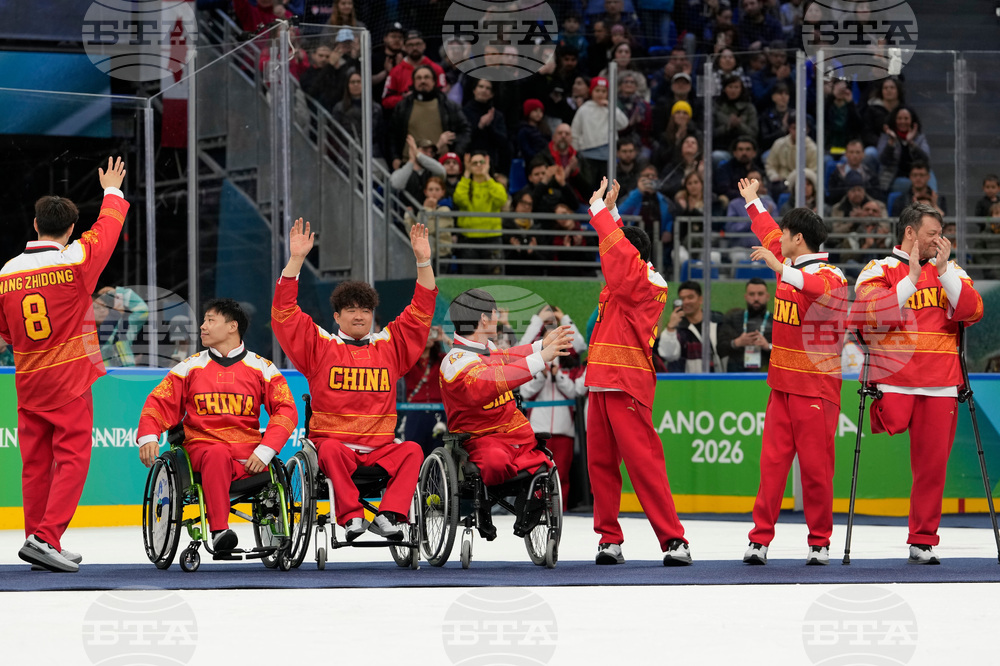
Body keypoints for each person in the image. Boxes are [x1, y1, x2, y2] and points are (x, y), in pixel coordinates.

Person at [271, 218, 437, 542]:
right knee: (330, 450)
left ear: (373, 314)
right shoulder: (320, 346)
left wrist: (423, 261)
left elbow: (421, 310)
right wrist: (296, 260)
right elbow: (285, 313)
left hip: (381, 449)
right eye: (351, 310)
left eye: (365, 310)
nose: (359, 315)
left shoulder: (390, 346)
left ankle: (390, 515)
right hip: (336, 447)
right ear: (337, 316)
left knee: (413, 451)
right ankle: (351, 517)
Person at [0, 157, 127, 573]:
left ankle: (36, 538)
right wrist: (111, 191)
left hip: (28, 381)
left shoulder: (7, 271)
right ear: (71, 229)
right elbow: (107, 230)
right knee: (72, 459)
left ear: (35, 225)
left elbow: (5, 332)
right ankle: (47, 538)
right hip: (69, 378)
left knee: (35, 464)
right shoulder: (75, 260)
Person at [854, 202, 984, 564]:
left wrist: (943, 272)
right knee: (891, 423)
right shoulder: (879, 269)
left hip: (941, 382)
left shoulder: (951, 270)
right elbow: (869, 313)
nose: (939, 241)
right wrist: (910, 280)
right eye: (932, 234)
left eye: (941, 234)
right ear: (910, 232)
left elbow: (974, 310)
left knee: (932, 467)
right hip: (894, 380)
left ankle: (922, 540)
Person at [737, 176, 849, 566]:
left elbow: (816, 288)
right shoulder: (785, 260)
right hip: (781, 386)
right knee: (771, 469)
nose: (779, 240)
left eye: (786, 235)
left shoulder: (833, 278)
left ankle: (819, 542)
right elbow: (767, 230)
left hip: (817, 389)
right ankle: (759, 540)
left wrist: (780, 269)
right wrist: (753, 201)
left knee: (816, 472)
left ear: (798, 239)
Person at [585, 177, 692, 566]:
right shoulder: (622, 280)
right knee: (600, 467)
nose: (608, 254)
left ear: (633, 256)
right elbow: (620, 255)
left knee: (644, 465)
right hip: (600, 381)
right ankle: (609, 540)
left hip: (627, 382)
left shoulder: (649, 282)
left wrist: (599, 211)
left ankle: (674, 540)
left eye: (615, 248)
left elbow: (622, 260)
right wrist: (613, 211)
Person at [136, 299, 297, 551]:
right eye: (204, 320)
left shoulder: (263, 367)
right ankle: (220, 531)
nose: (203, 326)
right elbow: (159, 402)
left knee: (251, 464)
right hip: (203, 450)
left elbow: (286, 411)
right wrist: (148, 436)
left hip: (250, 458)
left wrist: (266, 451)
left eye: (210, 320)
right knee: (217, 452)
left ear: (232, 326)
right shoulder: (190, 367)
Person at [438, 289, 574, 539]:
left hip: (513, 433)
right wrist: (541, 358)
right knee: (497, 462)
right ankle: (485, 504)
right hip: (479, 439)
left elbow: (506, 357)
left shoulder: (486, 347)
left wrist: (541, 345)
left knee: (544, 465)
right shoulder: (455, 361)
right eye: (495, 313)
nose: (498, 317)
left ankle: (527, 509)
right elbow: (492, 380)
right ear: (484, 319)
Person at [520, 354, 580, 511]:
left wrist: (557, 374)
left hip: (563, 429)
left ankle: (560, 510)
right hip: (539, 431)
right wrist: (542, 375)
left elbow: (574, 392)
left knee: (561, 474)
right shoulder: (533, 363)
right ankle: (536, 510)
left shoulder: (568, 364)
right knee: (538, 474)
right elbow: (525, 392)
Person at [388, 65, 470, 170]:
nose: (423, 81)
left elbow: (465, 131)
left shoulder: (449, 106)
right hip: (410, 164)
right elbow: (392, 135)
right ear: (413, 82)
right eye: (419, 78)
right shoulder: (403, 107)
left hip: (440, 164)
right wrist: (394, 158)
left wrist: (455, 155)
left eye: (426, 77)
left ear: (434, 81)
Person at [453, 151, 508, 274]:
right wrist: (466, 173)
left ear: (487, 164)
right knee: (470, 280)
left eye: (481, 162)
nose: (478, 165)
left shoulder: (495, 185)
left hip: (492, 238)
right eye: (474, 163)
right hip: (469, 239)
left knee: (495, 279)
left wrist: (487, 175)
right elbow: (459, 199)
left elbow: (501, 199)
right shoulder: (465, 185)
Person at [571, 77, 629, 191]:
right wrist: (575, 152)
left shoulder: (610, 108)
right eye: (597, 90)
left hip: (608, 156)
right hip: (588, 156)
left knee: (607, 188)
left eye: (603, 91)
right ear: (591, 91)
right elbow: (575, 132)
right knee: (590, 188)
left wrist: (611, 107)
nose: (600, 94)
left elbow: (624, 123)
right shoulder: (584, 110)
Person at [400, 324, 448, 457]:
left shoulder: (441, 359)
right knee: (413, 451)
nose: (429, 337)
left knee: (438, 453)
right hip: (415, 413)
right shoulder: (409, 361)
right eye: (425, 334)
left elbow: (459, 357)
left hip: (438, 413)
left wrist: (444, 337)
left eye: (431, 334)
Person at [657, 280, 723, 373]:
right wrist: (671, 327)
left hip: (718, 378)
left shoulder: (717, 321)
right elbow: (668, 355)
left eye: (690, 297)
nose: (686, 302)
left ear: (700, 299)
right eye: (682, 299)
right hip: (686, 380)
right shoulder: (677, 328)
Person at [381, 29, 446, 111]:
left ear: (424, 45)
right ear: (404, 47)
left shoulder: (437, 69)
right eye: (410, 45)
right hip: (405, 114)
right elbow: (386, 101)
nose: (415, 48)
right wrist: (405, 98)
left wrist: (426, 96)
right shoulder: (395, 71)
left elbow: (443, 96)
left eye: (418, 44)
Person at [718, 277, 773, 372]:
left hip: (767, 375)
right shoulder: (732, 319)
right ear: (746, 297)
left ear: (767, 296)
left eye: (760, 294)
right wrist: (737, 343)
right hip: (736, 375)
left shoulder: (776, 321)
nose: (756, 298)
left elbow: (787, 352)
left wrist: (768, 346)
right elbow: (719, 348)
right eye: (752, 294)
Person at [765, 119, 818, 196]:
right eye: (794, 128)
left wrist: (795, 178)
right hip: (781, 181)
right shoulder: (779, 144)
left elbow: (813, 171)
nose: (797, 131)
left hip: (803, 182)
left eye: (802, 128)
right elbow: (770, 165)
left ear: (807, 130)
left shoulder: (812, 148)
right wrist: (774, 176)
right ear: (789, 129)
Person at [827, 139, 880, 204]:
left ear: (863, 154)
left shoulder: (870, 175)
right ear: (846, 154)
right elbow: (832, 196)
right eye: (851, 152)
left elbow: (876, 196)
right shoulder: (836, 174)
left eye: (858, 152)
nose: (854, 155)